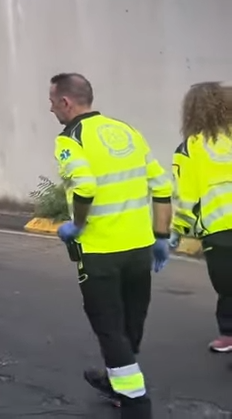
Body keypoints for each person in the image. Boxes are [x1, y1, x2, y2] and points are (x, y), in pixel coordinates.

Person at [48, 72, 171, 417]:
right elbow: (161, 187)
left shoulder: (70, 138)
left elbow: (84, 186)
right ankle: (115, 380)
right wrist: (161, 238)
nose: (50, 108)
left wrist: (77, 225)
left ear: (66, 102)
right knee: (131, 323)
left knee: (109, 328)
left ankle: (135, 403)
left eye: (52, 101)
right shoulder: (126, 131)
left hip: (100, 252)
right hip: (139, 248)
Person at [171, 82, 232, 353]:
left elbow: (186, 197)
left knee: (227, 285)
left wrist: (178, 230)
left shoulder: (189, 149)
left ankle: (228, 335)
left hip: (219, 232)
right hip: (220, 231)